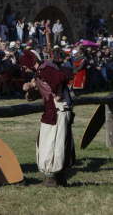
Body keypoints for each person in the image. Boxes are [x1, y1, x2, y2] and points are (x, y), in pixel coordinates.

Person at [20, 50, 75, 187]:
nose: (24, 69)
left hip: (57, 109)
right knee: (57, 142)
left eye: (24, 66)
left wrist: (58, 94)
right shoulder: (42, 71)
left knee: (50, 143)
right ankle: (59, 178)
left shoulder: (45, 68)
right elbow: (47, 88)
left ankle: (50, 179)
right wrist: (32, 87)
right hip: (55, 110)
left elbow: (60, 78)